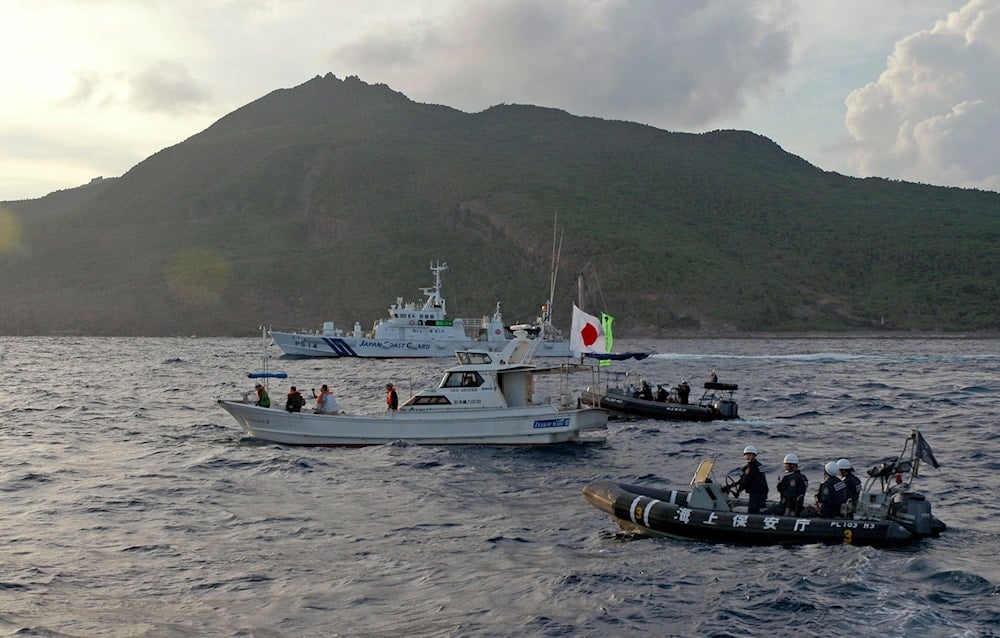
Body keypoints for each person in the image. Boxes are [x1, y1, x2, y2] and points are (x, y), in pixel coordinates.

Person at [726, 445, 769, 514]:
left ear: (754, 456)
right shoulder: (757, 465)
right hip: (761, 493)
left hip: (756, 494)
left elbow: (746, 480)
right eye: (746, 455)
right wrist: (733, 485)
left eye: (749, 455)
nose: (747, 456)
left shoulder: (752, 467)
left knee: (752, 512)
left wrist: (739, 489)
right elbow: (744, 479)